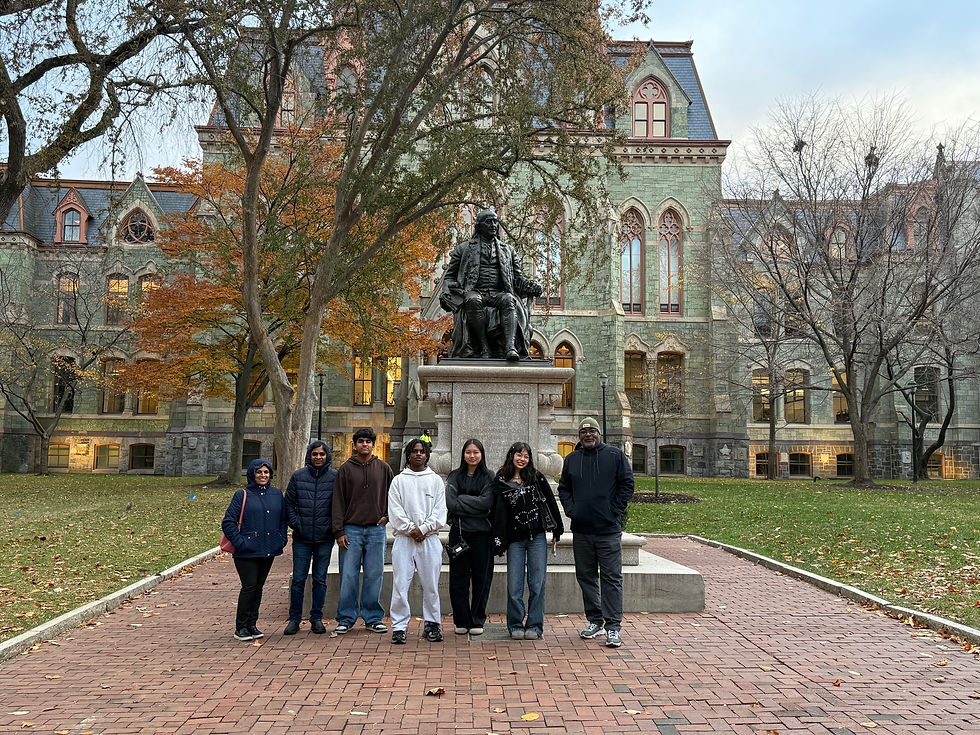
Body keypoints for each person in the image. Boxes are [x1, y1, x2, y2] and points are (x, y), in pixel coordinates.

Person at [558, 417, 635, 648]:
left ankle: (613, 627)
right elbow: (564, 488)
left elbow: (627, 484)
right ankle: (595, 620)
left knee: (611, 578)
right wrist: (572, 510)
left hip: (608, 531)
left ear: (599, 433)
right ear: (579, 436)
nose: (588, 435)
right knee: (586, 577)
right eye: (583, 432)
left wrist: (614, 511)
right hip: (582, 531)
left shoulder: (614, 456)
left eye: (592, 431)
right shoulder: (572, 459)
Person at [439, 209, 542, 360]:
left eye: (495, 221)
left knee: (509, 299)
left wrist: (532, 286)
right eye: (489, 222)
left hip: (498, 292)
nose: (493, 225)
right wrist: (446, 293)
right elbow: (449, 276)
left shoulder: (508, 250)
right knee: (473, 300)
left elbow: (518, 279)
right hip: (475, 291)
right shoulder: (463, 249)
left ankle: (510, 347)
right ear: (479, 226)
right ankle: (483, 347)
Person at [492, 441, 563, 640]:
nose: (522, 459)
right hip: (515, 540)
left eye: (526, 456)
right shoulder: (501, 480)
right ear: (511, 456)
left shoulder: (536, 477)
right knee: (514, 584)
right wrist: (500, 542)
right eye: (519, 455)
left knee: (537, 583)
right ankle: (515, 623)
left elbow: (550, 501)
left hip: (537, 538)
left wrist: (557, 529)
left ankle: (534, 624)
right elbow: (498, 514)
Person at [332, 427, 393, 634]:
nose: (364, 444)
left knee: (374, 574)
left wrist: (388, 516)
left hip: (376, 529)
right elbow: (338, 501)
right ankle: (346, 617)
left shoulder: (383, 468)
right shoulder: (345, 470)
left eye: (368, 441)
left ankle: (373, 617)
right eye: (361, 441)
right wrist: (339, 531)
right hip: (351, 530)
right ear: (355, 445)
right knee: (348, 575)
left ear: (373, 445)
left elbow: (393, 496)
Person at [387, 439, 447, 644]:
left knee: (430, 584)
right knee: (400, 583)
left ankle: (432, 623)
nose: (419, 454)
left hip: (428, 539)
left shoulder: (435, 480)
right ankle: (399, 626)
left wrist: (423, 528)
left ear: (427, 455)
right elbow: (394, 511)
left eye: (422, 451)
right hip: (404, 540)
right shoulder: (399, 481)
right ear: (408, 455)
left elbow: (440, 512)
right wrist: (410, 529)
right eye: (414, 451)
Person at [221, 458, 288, 641]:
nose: (263, 475)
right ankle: (241, 627)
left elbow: (283, 520)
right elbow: (228, 522)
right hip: (246, 551)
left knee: (258, 587)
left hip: (268, 549)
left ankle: (252, 624)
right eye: (259, 472)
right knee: (249, 586)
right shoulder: (241, 495)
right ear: (252, 474)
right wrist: (241, 542)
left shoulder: (276, 494)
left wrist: (281, 539)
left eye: (266, 472)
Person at [283, 440, 336, 636]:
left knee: (320, 580)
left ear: (326, 456)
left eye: (322, 454)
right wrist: (296, 523)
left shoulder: (334, 477)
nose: (318, 457)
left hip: (324, 537)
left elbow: (339, 505)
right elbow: (289, 504)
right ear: (309, 456)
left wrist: (331, 526)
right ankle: (294, 619)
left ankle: (316, 618)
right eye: (315, 454)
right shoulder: (298, 477)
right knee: (298, 579)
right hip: (302, 538)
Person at [445, 438, 496, 635]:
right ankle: (461, 620)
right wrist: (473, 503)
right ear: (463, 455)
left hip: (483, 535)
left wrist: (462, 500)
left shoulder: (489, 477)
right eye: (468, 452)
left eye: (476, 452)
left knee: (481, 579)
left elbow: (486, 503)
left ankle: (477, 620)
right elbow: (451, 503)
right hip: (459, 534)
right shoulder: (454, 476)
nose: (472, 456)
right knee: (458, 578)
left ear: (481, 454)